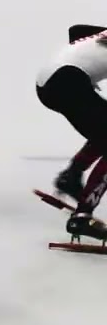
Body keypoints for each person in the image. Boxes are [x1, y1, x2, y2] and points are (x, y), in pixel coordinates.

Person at [36, 24, 107, 242]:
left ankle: (71, 177)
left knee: (103, 132)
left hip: (48, 83)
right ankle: (83, 216)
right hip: (68, 82)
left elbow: (76, 30)